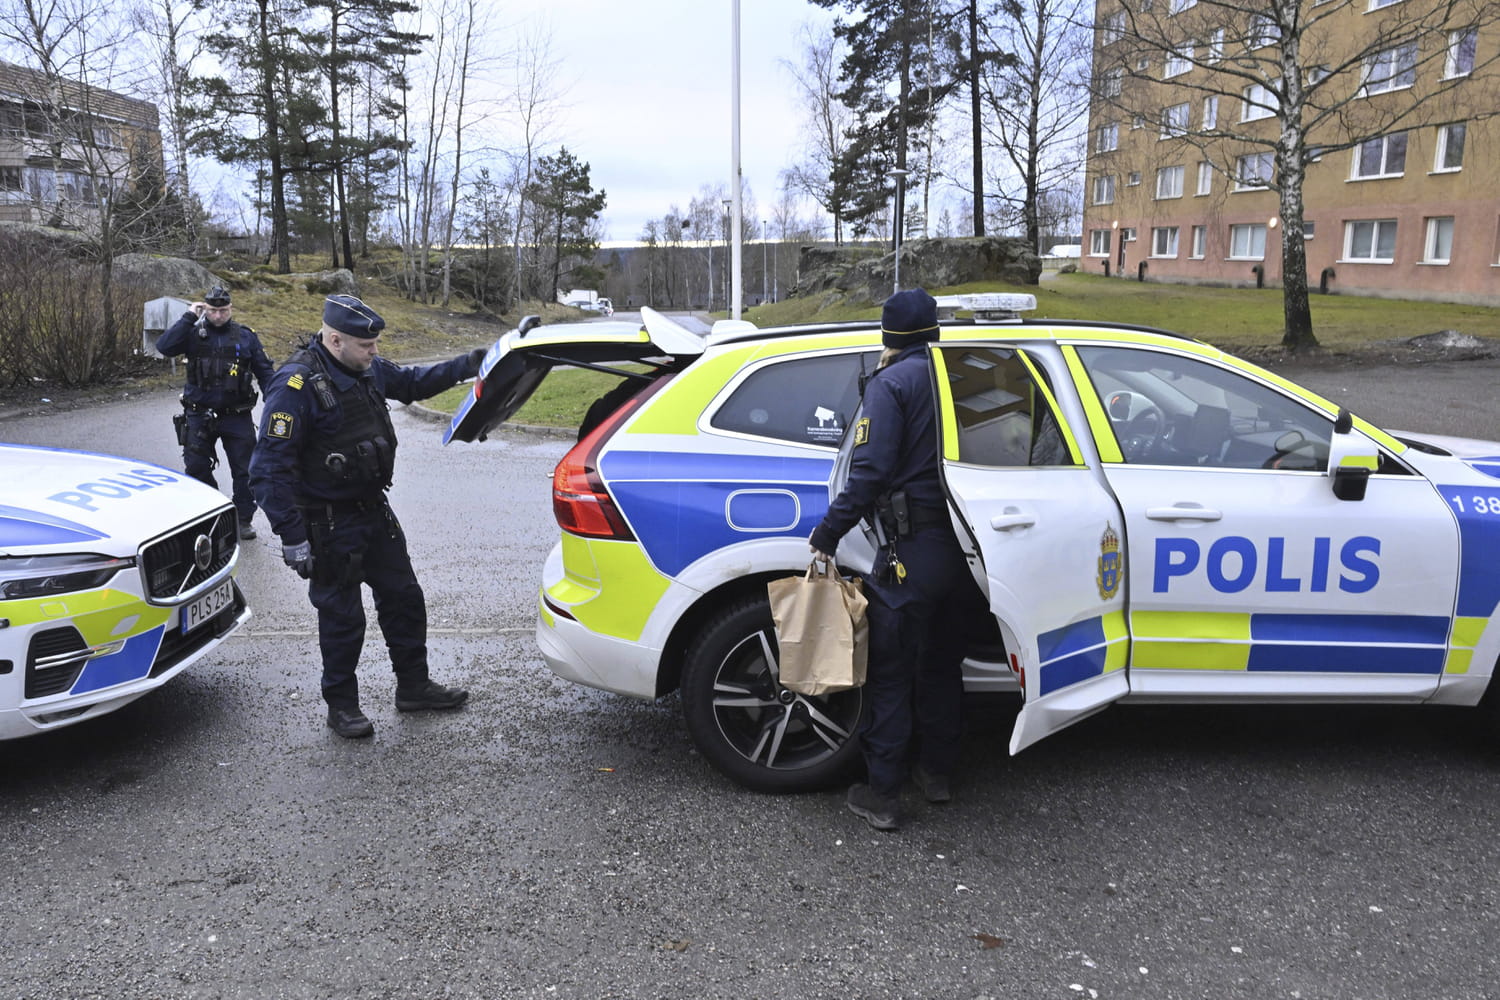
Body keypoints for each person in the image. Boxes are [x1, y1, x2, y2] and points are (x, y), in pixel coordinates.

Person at [249, 294, 487, 739]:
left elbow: (415, 382)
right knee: (342, 620)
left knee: (404, 599)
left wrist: (476, 361)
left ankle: (413, 687)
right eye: (366, 345)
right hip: (327, 523)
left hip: (373, 510)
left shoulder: (363, 367)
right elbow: (267, 469)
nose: (375, 351)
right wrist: (292, 535)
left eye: (376, 344)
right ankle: (342, 707)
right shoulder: (295, 387)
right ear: (335, 339)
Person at [809, 288, 988, 832]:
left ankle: (882, 795)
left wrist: (828, 534)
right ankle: (936, 775)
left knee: (891, 674)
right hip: (970, 553)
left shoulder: (891, 384)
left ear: (889, 336)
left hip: (911, 554)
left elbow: (871, 472)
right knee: (942, 665)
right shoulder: (964, 375)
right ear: (933, 331)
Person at [156, 284, 276, 540]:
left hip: (236, 415)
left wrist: (276, 403)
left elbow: (265, 372)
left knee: (246, 471)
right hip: (199, 414)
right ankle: (211, 514)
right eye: (212, 310)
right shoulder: (192, 333)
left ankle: (243, 518)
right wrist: (189, 316)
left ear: (230, 309)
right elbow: (164, 347)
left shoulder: (245, 337)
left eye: (223, 310)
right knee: (197, 467)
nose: (218, 316)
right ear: (204, 309)